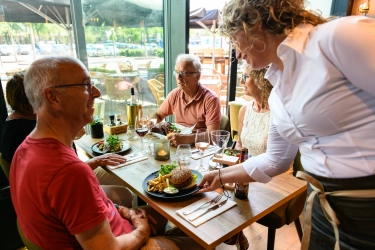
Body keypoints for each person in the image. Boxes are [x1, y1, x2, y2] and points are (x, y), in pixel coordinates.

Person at [198, 1, 375, 250]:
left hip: (367, 205)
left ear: (254, 24)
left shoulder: (337, 37)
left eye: (234, 41)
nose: (237, 54)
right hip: (319, 203)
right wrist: (219, 175)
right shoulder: (277, 92)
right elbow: (276, 160)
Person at [10, 57, 203, 249]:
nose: (97, 92)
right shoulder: (70, 172)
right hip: (126, 244)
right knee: (203, 241)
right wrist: (141, 231)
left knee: (164, 214)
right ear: (53, 97)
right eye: (86, 85)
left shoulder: (23, 151)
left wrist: (125, 211)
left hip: (116, 229)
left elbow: (90, 206)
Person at [0, 73, 133, 208]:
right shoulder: (28, 134)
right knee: (126, 194)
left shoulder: (17, 121)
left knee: (123, 174)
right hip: (63, 193)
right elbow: (62, 178)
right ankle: (123, 223)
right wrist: (97, 160)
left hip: (68, 176)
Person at [152, 54, 221, 146]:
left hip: (199, 149)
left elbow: (214, 136)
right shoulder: (175, 94)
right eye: (177, 72)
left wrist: (187, 139)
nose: (179, 77)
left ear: (197, 76)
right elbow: (158, 115)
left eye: (184, 73)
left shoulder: (211, 99)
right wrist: (152, 122)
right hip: (177, 146)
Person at [234, 66, 272, 155]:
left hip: (272, 168)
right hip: (247, 166)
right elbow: (239, 144)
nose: (241, 81)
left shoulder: (278, 112)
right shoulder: (244, 110)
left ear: (262, 80)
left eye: (246, 76)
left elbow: (278, 159)